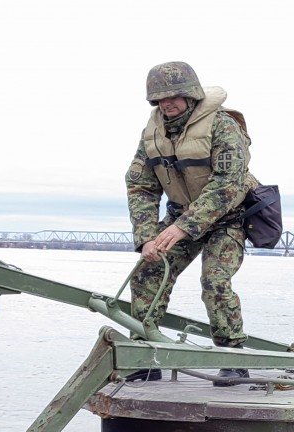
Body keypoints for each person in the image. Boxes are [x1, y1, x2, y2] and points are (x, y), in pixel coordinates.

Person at [124, 61, 258, 386]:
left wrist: (184, 226)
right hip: (180, 215)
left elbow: (228, 183)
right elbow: (140, 185)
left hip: (228, 218)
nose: (166, 104)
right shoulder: (152, 134)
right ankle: (145, 356)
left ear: (191, 95)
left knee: (214, 281)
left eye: (174, 96)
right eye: (159, 99)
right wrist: (146, 238)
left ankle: (233, 358)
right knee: (148, 273)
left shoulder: (222, 126)